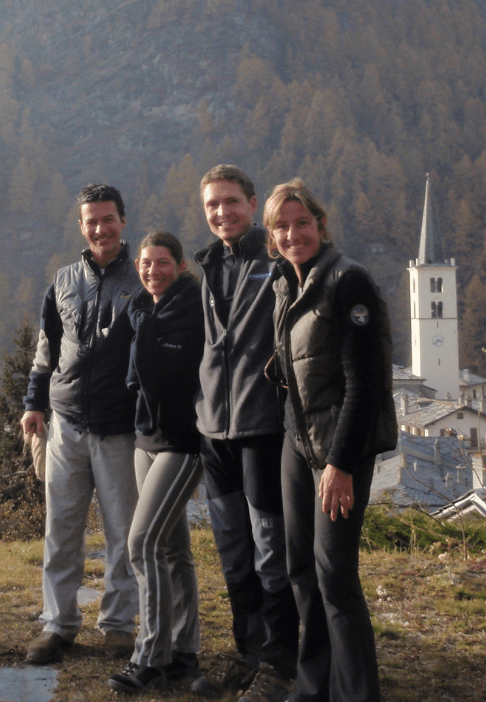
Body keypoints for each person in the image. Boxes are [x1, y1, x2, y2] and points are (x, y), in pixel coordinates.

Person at [262, 179, 397, 702]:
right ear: (272, 236)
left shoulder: (348, 282)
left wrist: (340, 465)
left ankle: (358, 694)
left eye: (302, 223)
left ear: (320, 224)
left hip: (339, 451)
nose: (293, 234)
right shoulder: (286, 282)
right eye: (282, 226)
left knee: (335, 575)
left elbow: (366, 386)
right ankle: (313, 686)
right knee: (302, 571)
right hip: (297, 444)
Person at [21, 183, 140, 665]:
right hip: (65, 423)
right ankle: (58, 624)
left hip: (119, 425)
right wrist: (34, 403)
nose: (100, 228)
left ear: (122, 222)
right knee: (61, 529)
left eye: (108, 219)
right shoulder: (64, 279)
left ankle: (117, 627)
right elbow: (46, 346)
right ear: (81, 226)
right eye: (91, 221)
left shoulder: (143, 275)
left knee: (122, 533)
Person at [192, 165, 299, 702]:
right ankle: (248, 654)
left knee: (268, 548)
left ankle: (281, 665)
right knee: (233, 548)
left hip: (262, 426)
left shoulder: (276, 259)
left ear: (253, 205)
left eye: (231, 202)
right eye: (212, 204)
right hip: (213, 430)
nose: (222, 213)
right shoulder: (206, 264)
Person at [108, 231, 205, 694]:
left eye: (162, 263)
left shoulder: (191, 309)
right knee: (172, 550)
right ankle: (185, 652)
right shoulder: (143, 308)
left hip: (182, 442)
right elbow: (132, 375)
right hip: (145, 438)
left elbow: (174, 375)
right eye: (145, 263)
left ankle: (150, 656)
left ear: (180, 266)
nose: (152, 271)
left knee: (141, 544)